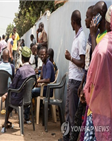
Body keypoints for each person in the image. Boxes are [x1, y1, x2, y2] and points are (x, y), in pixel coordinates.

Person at [83, 5, 112, 141]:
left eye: (93, 16)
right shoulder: (100, 37)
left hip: (101, 100)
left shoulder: (105, 42)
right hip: (95, 95)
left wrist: (93, 35)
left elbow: (97, 63)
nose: (90, 19)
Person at [64, 10, 86, 141]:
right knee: (68, 111)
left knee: (72, 113)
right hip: (72, 79)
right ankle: (66, 137)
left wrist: (70, 58)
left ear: (73, 22)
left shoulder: (81, 38)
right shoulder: (77, 36)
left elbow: (83, 63)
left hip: (76, 80)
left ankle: (71, 138)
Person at [1, 46, 35, 128]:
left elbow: (13, 85)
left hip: (19, 100)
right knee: (12, 96)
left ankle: (6, 122)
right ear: (29, 58)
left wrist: (6, 94)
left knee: (9, 97)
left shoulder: (20, 71)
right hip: (28, 99)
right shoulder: (33, 70)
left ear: (22, 59)